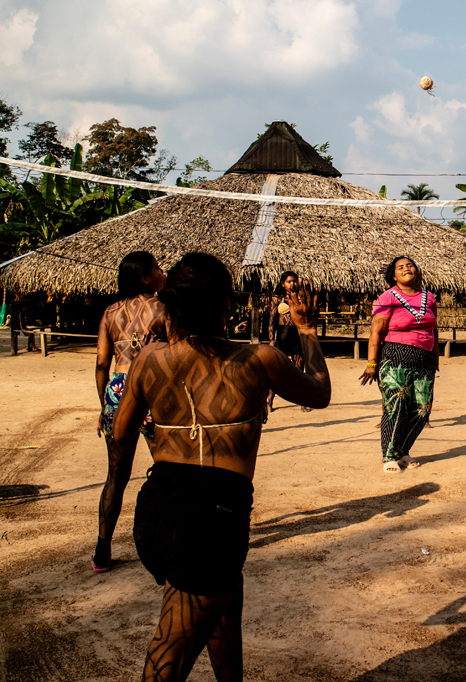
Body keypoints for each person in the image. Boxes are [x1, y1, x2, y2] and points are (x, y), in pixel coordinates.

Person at [114, 252, 330, 681]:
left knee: (223, 601)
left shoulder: (149, 360)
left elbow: (120, 435)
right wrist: (306, 329)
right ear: (226, 308)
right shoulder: (258, 359)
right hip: (211, 517)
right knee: (169, 655)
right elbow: (319, 392)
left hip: (155, 510)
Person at [92, 251, 168, 573]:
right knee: (167, 471)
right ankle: (164, 542)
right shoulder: (163, 309)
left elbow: (101, 365)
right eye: (157, 268)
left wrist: (105, 407)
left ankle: (102, 549)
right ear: (145, 278)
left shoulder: (110, 313)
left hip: (118, 390)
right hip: (150, 388)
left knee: (116, 475)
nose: (162, 271)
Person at [359, 256, 439, 473]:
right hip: (395, 356)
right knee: (396, 407)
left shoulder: (428, 296)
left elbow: (434, 329)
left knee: (423, 410)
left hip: (425, 359)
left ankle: (403, 450)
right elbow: (376, 331)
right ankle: (389, 456)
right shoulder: (387, 297)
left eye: (410, 265)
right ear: (393, 276)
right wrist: (371, 363)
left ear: (417, 270)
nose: (406, 269)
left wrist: (436, 359)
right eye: (400, 268)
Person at [267, 270, 311, 413]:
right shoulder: (277, 298)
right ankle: (269, 400)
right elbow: (272, 320)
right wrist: (271, 340)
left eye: (293, 281)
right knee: (277, 371)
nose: (291, 283)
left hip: (298, 336)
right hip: (283, 336)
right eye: (288, 281)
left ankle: (302, 400)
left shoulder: (300, 297)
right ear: (282, 283)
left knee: (299, 370)